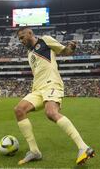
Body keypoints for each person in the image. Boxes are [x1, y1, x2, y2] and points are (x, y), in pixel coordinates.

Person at [14, 27, 95, 166]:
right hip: (38, 89)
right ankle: (34, 151)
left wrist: (71, 47)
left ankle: (84, 147)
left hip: (52, 84)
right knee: (19, 110)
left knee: (51, 112)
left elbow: (65, 51)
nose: (21, 41)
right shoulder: (29, 53)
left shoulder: (45, 40)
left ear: (30, 33)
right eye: (19, 39)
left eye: (22, 37)